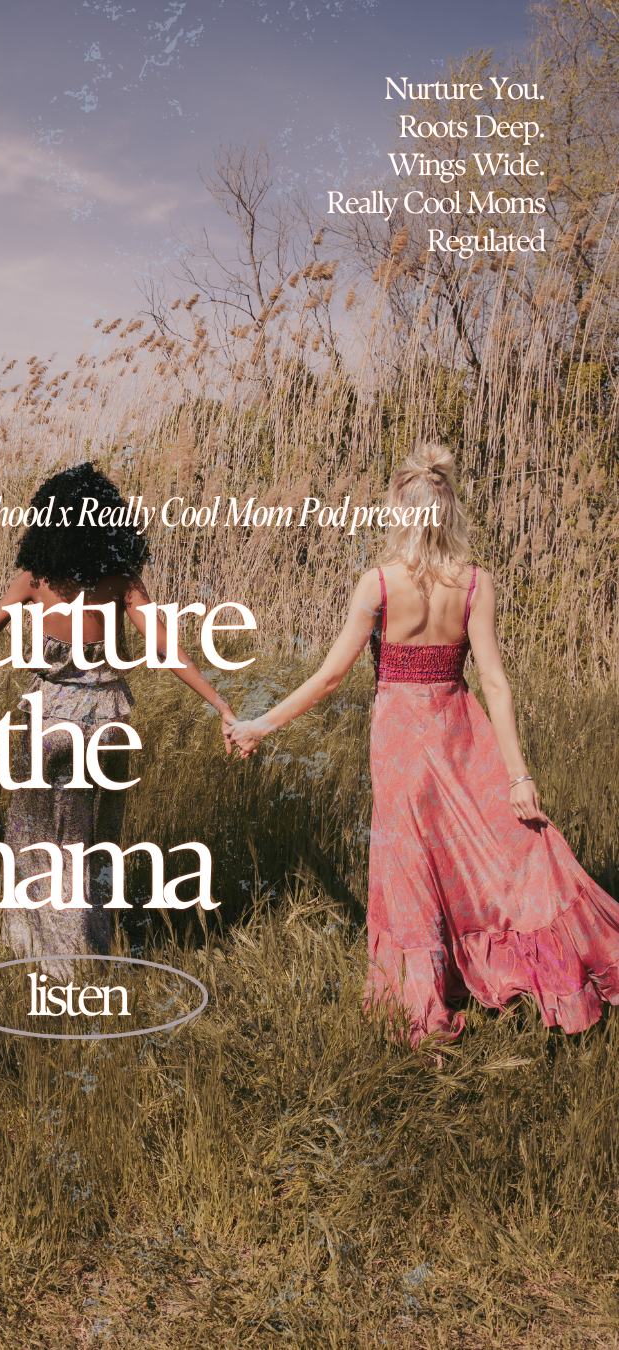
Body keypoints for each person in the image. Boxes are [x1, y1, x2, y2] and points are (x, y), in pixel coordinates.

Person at [230, 443, 619, 1047]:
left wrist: (259, 725)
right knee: (497, 853)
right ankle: (516, 971)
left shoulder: (378, 584)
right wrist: (518, 778)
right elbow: (495, 682)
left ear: (399, 512)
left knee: (412, 867)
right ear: (448, 512)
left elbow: (329, 677)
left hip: (401, 746)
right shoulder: (475, 584)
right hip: (464, 734)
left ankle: (424, 1003)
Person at [0, 463, 236, 971]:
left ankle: (43, 956)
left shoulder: (37, 580)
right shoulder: (121, 581)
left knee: (37, 837)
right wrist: (221, 704)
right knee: (94, 841)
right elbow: (165, 648)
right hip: (109, 725)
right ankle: (87, 954)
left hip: (50, 721)